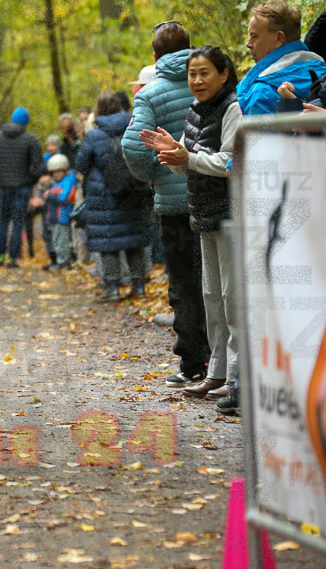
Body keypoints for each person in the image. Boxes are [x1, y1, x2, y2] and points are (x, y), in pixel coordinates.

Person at [140, 46, 241, 406]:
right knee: (211, 296)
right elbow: (186, 165)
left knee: (231, 297)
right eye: (192, 74)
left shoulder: (233, 108)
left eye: (204, 73)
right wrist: (172, 154)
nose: (197, 81)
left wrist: (189, 158)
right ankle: (216, 371)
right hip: (202, 213)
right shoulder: (194, 110)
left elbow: (230, 162)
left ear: (224, 74)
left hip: (231, 215)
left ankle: (236, 376)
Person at [122, 21, 210, 388]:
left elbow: (132, 145)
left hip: (174, 204)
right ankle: (223, 361)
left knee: (184, 283)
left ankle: (193, 362)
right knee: (216, 279)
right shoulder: (211, 82)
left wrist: (154, 175)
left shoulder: (150, 94)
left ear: (155, 56)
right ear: (190, 47)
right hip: (214, 195)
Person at [75, 90, 153, 301]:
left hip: (104, 196)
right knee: (134, 240)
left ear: (98, 110)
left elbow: (81, 164)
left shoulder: (94, 135)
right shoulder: (133, 127)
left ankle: (112, 287)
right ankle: (139, 286)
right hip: (132, 192)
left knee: (108, 243)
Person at [238, 0, 325, 116]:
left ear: (279, 38)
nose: (248, 44)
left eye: (254, 36)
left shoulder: (263, 92)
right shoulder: (323, 74)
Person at [0, 107, 44, 268]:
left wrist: (0, 169)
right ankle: (12, 258)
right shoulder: (30, 140)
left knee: (3, 220)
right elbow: (39, 166)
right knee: (18, 221)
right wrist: (31, 179)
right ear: (26, 123)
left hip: (2, 186)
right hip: (22, 187)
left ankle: (0, 256)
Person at [42, 154, 77, 270]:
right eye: (54, 172)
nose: (56, 174)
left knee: (62, 243)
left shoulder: (68, 181)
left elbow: (64, 198)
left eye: (59, 171)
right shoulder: (57, 182)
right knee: (56, 242)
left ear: (64, 169)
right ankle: (60, 263)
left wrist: (50, 195)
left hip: (62, 217)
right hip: (54, 218)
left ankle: (64, 264)